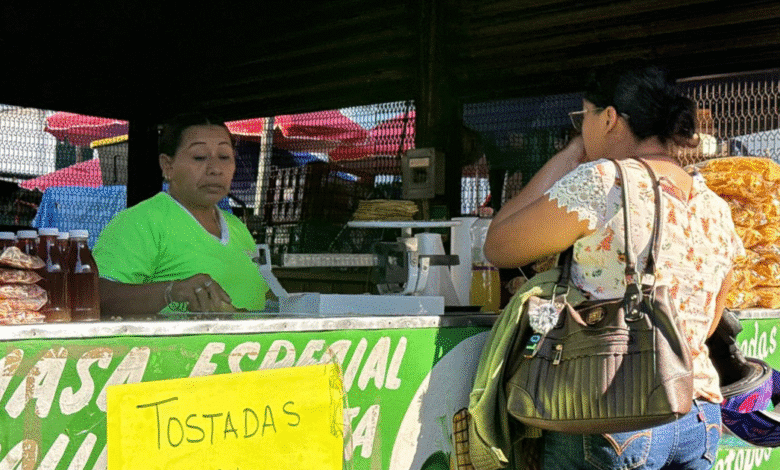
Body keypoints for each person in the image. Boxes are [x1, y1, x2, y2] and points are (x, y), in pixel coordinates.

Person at [483, 62, 745, 470]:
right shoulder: (714, 205)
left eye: (582, 117)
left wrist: (571, 153)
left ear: (608, 117)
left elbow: (498, 245)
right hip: (697, 412)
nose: (581, 129)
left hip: (615, 408)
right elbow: (708, 321)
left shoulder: (603, 180)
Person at [94, 113, 269, 318]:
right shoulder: (141, 222)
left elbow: (265, 293)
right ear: (168, 166)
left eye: (224, 157)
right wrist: (172, 291)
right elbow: (97, 297)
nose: (215, 169)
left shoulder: (237, 227)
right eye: (199, 157)